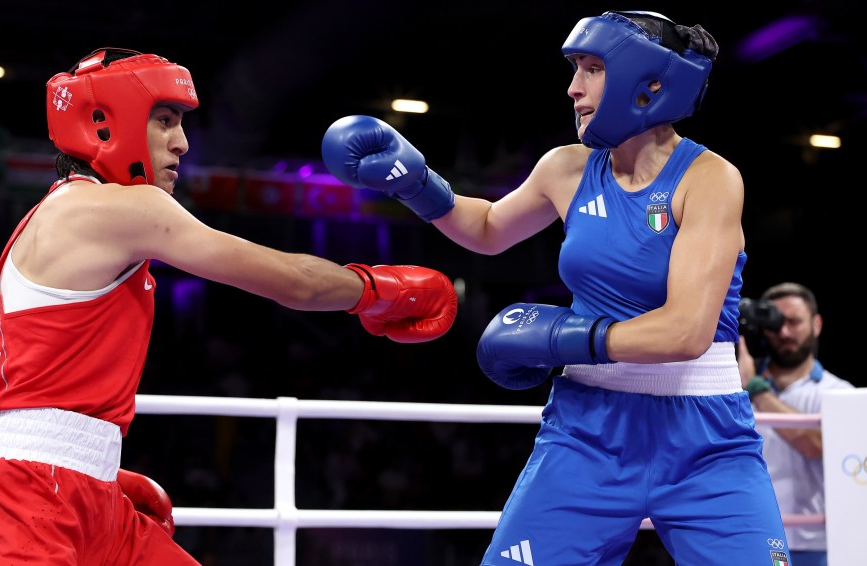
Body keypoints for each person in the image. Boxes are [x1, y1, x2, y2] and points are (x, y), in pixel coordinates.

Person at [321, 10, 792, 566]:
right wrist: (418, 183)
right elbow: (490, 229)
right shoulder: (566, 168)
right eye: (575, 69)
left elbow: (687, 331)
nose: (573, 88)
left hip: (706, 435)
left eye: (592, 69)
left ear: (649, 83)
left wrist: (560, 338)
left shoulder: (709, 178)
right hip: (588, 428)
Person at [0, 47, 459, 565]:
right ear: (106, 123)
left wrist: (90, 461)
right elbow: (293, 282)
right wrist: (376, 291)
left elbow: (22, 389)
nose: (182, 142)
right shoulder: (121, 209)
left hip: (76, 488)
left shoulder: (51, 215)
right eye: (165, 121)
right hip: (28, 495)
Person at [739, 282, 854, 566]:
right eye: (775, 323)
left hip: (813, 542)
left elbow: (816, 445)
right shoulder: (734, 391)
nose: (784, 332)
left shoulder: (840, 394)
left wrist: (756, 389)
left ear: (816, 324)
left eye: (794, 322)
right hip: (750, 538)